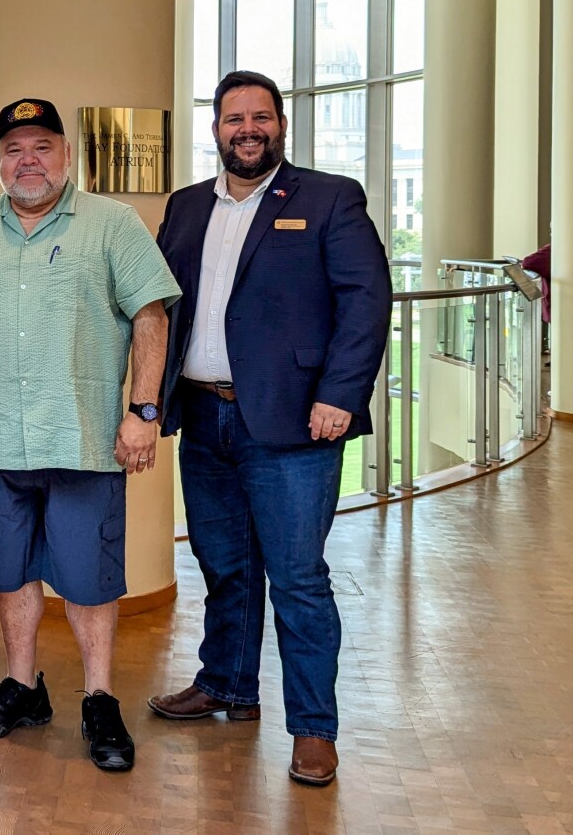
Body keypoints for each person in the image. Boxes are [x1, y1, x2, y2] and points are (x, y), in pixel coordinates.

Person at [0, 98, 181, 772]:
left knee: (91, 581)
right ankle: (23, 685)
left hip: (85, 439)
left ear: (66, 155)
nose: (26, 159)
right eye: (13, 148)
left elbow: (151, 316)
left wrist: (143, 410)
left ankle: (98, 696)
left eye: (40, 145)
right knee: (9, 573)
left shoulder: (112, 224)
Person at [150, 70, 390, 787]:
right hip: (204, 416)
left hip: (295, 425)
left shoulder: (328, 198)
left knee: (297, 579)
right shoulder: (188, 206)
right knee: (223, 565)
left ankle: (314, 730)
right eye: (232, 119)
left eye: (259, 117)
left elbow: (366, 298)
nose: (246, 130)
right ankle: (226, 682)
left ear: (280, 124)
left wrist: (340, 395)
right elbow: (163, 305)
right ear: (216, 128)